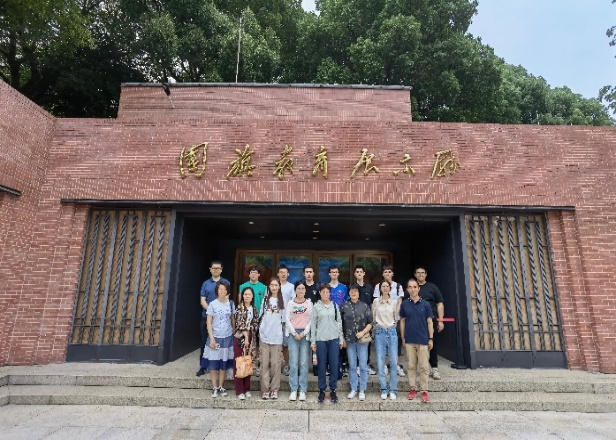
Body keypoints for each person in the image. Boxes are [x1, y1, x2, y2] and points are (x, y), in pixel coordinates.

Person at [400, 278, 434, 403]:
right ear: (407, 289)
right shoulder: (404, 304)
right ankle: (412, 388)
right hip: (409, 340)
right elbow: (402, 322)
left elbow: (429, 322)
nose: (413, 289)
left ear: (418, 288)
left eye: (415, 287)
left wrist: (431, 338)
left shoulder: (425, 304)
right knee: (411, 366)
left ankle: (424, 391)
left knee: (424, 367)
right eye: (410, 287)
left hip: (423, 340)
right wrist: (403, 337)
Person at [310, 283, 344, 403]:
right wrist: (313, 341)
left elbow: (339, 322)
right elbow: (313, 324)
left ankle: (333, 390)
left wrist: (341, 339)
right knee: (321, 366)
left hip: (333, 339)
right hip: (320, 339)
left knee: (334, 365)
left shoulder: (334, 305)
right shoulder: (316, 306)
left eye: (327, 292)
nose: (325, 294)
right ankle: (322, 390)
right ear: (320, 293)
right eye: (323, 292)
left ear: (330, 293)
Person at [201, 281, 235, 398]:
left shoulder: (230, 304)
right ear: (217, 290)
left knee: (223, 363)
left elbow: (232, 320)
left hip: (227, 337)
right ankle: (214, 387)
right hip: (215, 337)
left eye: (225, 289)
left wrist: (234, 333)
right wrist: (211, 338)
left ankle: (221, 386)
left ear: (227, 291)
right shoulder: (212, 304)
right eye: (220, 289)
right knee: (213, 363)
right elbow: (209, 322)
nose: (222, 291)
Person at [197, 260, 229, 377]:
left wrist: (217, 312)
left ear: (221, 270)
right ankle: (202, 366)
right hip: (206, 317)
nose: (216, 270)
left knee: (220, 343)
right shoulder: (206, 283)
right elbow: (202, 300)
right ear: (210, 269)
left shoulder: (225, 282)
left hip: (222, 319)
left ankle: (218, 365)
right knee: (204, 341)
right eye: (214, 268)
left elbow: (226, 299)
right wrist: (212, 311)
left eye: (218, 268)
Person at [373, 264, 405, 377]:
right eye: (385, 272)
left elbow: (399, 302)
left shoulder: (398, 286)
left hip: (394, 320)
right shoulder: (378, 286)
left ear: (392, 273)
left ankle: (396, 365)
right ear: (383, 274)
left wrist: (395, 317)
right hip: (382, 321)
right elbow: (376, 302)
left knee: (396, 344)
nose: (387, 273)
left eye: (389, 271)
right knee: (382, 345)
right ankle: (384, 366)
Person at [341, 285, 373, 401]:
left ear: (359, 293)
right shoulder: (344, 306)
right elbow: (340, 324)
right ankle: (354, 388)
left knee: (363, 365)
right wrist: (342, 338)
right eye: (351, 291)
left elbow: (371, 322)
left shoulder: (364, 306)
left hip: (362, 340)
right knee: (352, 365)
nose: (354, 293)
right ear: (349, 293)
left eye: (356, 291)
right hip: (349, 340)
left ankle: (362, 389)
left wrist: (363, 332)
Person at [415, 265, 445, 380]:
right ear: (415, 275)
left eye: (422, 272)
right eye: (418, 273)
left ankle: (434, 368)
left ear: (426, 274)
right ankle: (420, 368)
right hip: (416, 321)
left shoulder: (432, 287)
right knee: (416, 345)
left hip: (430, 320)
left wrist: (440, 321)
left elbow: (440, 303)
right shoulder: (413, 287)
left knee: (432, 344)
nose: (420, 274)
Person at [258, 277, 285, 400]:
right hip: (264, 336)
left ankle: (274, 389)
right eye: (272, 285)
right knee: (264, 365)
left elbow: (284, 320)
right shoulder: (265, 300)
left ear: (279, 287)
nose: (274, 287)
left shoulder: (282, 301)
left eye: (276, 285)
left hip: (277, 338)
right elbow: (260, 315)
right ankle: (265, 390)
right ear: (269, 286)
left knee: (275, 365)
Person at [285, 281, 312, 401]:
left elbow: (311, 320)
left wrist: (304, 333)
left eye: (303, 288)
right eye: (299, 288)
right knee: (294, 363)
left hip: (305, 335)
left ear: (305, 290)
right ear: (295, 290)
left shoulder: (309, 303)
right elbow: (287, 319)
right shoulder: (290, 303)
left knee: (304, 363)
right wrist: (295, 333)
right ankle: (293, 389)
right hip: (293, 335)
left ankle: (302, 390)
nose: (301, 290)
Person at [372, 280, 399, 400]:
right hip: (379, 332)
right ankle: (383, 388)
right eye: (383, 286)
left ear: (390, 288)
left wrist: (391, 327)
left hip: (391, 331)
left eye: (387, 286)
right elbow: (373, 317)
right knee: (380, 361)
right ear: (380, 288)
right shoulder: (375, 302)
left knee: (393, 362)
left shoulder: (394, 302)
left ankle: (393, 389)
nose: (385, 288)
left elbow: (396, 318)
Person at [232, 286, 259, 400]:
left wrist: (250, 329)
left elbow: (256, 323)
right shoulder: (239, 309)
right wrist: (246, 335)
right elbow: (239, 324)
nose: (247, 296)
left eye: (249, 294)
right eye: (245, 294)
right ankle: (239, 390)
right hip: (240, 339)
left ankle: (247, 388)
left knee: (248, 363)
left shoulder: (254, 309)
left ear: (252, 296)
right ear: (242, 296)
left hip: (251, 339)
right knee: (239, 363)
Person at [350, 264, 376, 376]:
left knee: (366, 342)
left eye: (361, 272)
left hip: (366, 320)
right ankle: (355, 366)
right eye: (357, 272)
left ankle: (366, 364)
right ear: (355, 274)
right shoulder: (352, 287)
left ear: (364, 273)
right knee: (354, 342)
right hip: (354, 319)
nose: (359, 273)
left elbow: (372, 303)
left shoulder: (369, 288)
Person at [328, 265, 349, 377]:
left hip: (342, 317)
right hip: (329, 318)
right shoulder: (326, 287)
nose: (334, 274)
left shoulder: (344, 287)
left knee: (342, 341)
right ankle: (329, 365)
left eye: (336, 272)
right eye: (332, 272)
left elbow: (347, 301)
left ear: (338, 273)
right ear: (329, 274)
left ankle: (342, 364)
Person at [278, 265, 294, 376]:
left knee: (285, 345)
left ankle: (286, 365)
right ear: (278, 274)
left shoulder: (291, 287)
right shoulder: (274, 285)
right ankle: (275, 365)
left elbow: (293, 303)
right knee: (274, 345)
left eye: (285, 272)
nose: (283, 274)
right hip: (274, 320)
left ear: (288, 274)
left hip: (286, 320)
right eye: (281, 272)